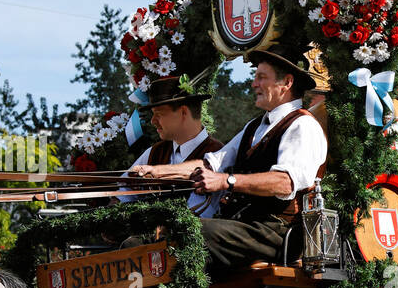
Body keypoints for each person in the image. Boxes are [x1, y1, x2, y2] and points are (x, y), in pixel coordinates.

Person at [130, 45, 327, 273]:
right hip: (241, 225)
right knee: (144, 241)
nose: (254, 84)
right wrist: (157, 172)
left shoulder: (303, 125)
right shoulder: (254, 126)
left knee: (188, 231)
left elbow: (285, 182)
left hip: (276, 233)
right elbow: (210, 163)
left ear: (287, 83)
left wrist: (227, 181)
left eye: (261, 77)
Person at [118, 76, 220, 211]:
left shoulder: (218, 154)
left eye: (159, 114)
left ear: (183, 112)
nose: (153, 121)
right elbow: (121, 189)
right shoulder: (154, 152)